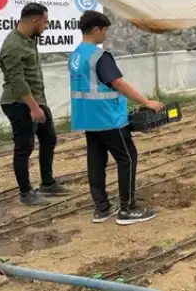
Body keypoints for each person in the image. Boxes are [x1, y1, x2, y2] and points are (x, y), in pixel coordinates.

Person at [69, 11, 162, 225]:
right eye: (105, 31)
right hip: (108, 117)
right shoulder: (99, 56)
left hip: (88, 118)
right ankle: (127, 209)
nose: (106, 36)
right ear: (96, 29)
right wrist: (147, 103)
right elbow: (117, 83)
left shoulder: (75, 56)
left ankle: (101, 208)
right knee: (127, 157)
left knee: (96, 160)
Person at [0, 2, 70, 206]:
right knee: (24, 147)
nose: (46, 26)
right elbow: (16, 80)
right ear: (36, 21)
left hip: (36, 99)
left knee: (49, 139)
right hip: (19, 102)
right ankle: (26, 192)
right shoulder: (13, 45)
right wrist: (33, 108)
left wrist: (38, 105)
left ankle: (47, 183)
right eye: (45, 22)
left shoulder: (29, 39)